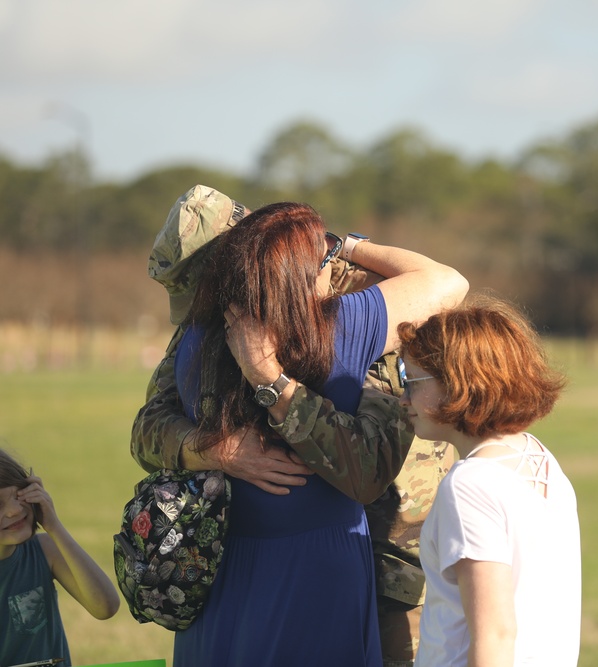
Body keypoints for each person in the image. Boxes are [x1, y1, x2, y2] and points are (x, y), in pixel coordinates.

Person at [132, 185, 458, 666]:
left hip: (395, 551)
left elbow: (367, 465)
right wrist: (213, 449)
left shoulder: (351, 297)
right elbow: (148, 428)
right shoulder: (206, 328)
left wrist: (340, 247)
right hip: (268, 551)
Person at [397, 295, 582, 667]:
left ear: (458, 383)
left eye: (411, 380)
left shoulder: (470, 486)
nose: (402, 398)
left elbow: (495, 636)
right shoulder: (538, 458)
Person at [0, 448, 120, 666]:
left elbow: (105, 607)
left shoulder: (45, 549)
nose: (14, 511)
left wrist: (53, 525)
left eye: (20, 495)